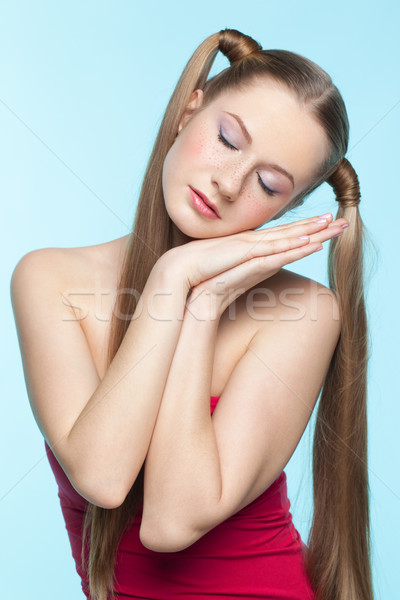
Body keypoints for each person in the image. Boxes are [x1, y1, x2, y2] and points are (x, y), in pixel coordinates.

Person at [10, 27, 374, 600]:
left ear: (290, 208)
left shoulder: (305, 312)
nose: (228, 184)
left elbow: (172, 522)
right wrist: (171, 277)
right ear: (189, 108)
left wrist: (200, 305)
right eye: (229, 140)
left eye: (268, 183)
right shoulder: (49, 279)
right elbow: (103, 478)